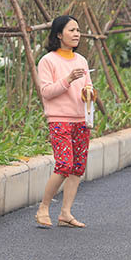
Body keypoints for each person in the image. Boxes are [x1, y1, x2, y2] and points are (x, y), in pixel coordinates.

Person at [34, 15, 97, 229]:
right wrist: (68, 79)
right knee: (64, 165)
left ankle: (65, 213)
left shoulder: (82, 61)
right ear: (59, 34)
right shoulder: (48, 61)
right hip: (59, 120)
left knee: (78, 168)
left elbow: (87, 89)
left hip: (81, 120)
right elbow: (46, 92)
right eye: (72, 30)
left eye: (78, 30)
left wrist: (89, 94)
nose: (77, 34)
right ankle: (43, 208)